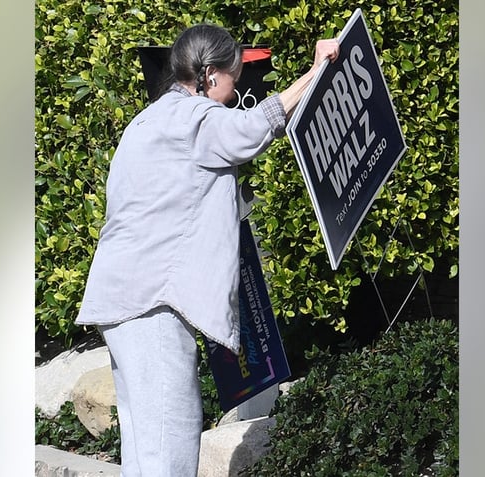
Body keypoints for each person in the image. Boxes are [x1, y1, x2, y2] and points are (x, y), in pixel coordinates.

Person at [75, 23, 339, 476]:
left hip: (122, 300)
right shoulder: (194, 118)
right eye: (234, 77)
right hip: (153, 303)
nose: (235, 92)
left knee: (145, 452)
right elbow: (254, 127)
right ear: (210, 74)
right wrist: (316, 71)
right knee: (168, 451)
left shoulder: (147, 120)